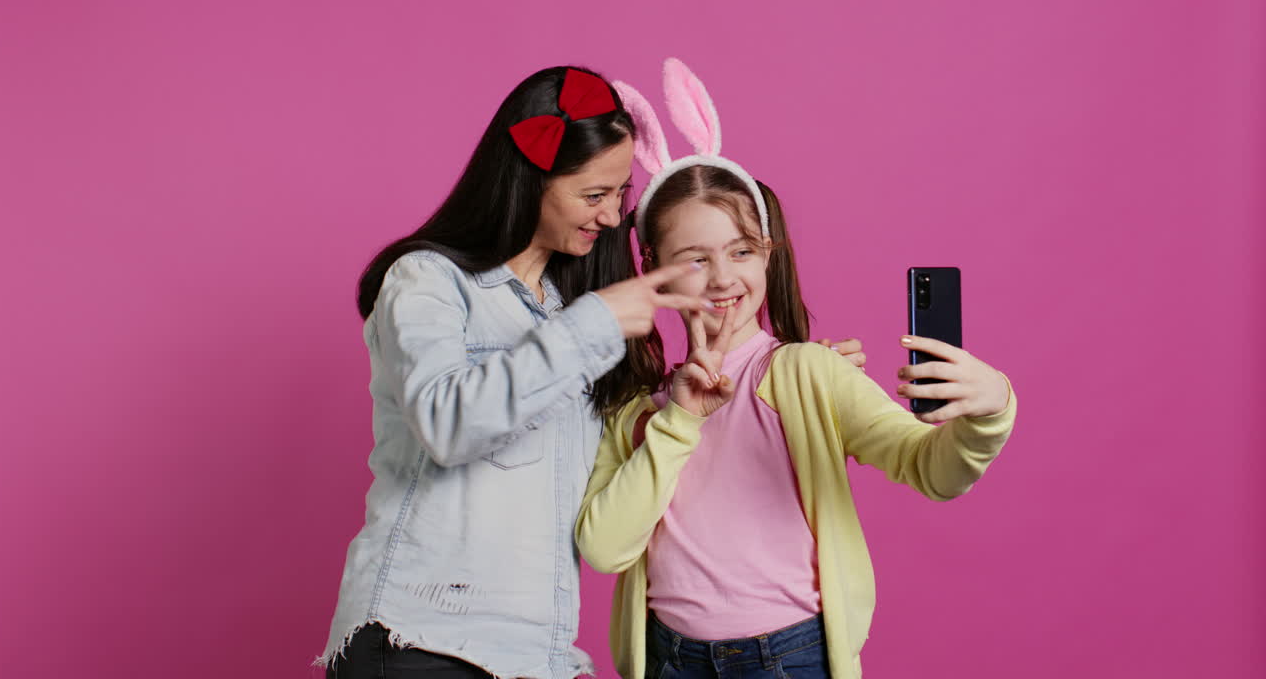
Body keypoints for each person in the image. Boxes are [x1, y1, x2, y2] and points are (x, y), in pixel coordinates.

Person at [316, 64, 870, 679]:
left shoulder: (574, 311)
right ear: (530, 181)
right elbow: (448, 425)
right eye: (593, 195)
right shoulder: (429, 281)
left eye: (619, 196)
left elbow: (613, 489)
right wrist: (594, 323)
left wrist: (799, 383)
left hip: (537, 654)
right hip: (424, 640)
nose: (612, 217)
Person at [575, 59, 1018, 679]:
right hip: (669, 658)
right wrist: (676, 420)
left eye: (741, 251)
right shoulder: (637, 411)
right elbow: (603, 546)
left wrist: (990, 411)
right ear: (653, 269)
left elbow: (931, 468)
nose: (724, 277)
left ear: (767, 255)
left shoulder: (810, 374)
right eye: (695, 259)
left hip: (790, 658)